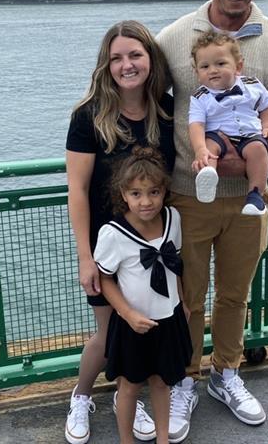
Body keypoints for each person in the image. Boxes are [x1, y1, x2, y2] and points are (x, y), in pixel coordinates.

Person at [157, 0, 268, 441]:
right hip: (188, 196)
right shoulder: (173, 40)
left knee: (234, 297)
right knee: (187, 298)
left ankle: (225, 373)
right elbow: (144, 108)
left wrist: (253, 159)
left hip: (249, 201)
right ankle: (184, 377)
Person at [65, 21, 175, 444]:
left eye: (135, 55)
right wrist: (84, 255)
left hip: (152, 247)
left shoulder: (166, 112)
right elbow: (76, 189)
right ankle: (81, 395)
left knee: (146, 326)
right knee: (111, 333)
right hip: (107, 247)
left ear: (150, 58)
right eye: (116, 58)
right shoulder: (89, 115)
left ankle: (126, 396)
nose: (126, 65)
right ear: (106, 65)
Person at [95, 147, 192, 444]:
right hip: (132, 324)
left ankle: (163, 438)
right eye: (136, 194)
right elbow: (105, 279)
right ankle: (127, 440)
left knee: (162, 383)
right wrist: (128, 314)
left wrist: (183, 302)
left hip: (169, 318)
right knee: (129, 386)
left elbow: (175, 264)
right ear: (123, 194)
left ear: (164, 191)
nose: (146, 201)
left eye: (153, 192)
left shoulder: (173, 219)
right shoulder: (113, 233)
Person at [188, 30, 268, 215]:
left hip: (249, 134)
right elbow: (196, 124)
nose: (213, 70)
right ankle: (208, 176)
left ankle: (255, 195)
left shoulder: (252, 85)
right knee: (209, 149)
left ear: (238, 67)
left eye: (221, 64)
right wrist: (199, 150)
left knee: (258, 150)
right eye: (205, 66)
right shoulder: (200, 97)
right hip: (217, 135)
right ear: (197, 73)